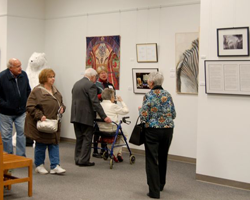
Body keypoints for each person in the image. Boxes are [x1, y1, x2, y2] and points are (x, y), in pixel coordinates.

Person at [139, 71, 176, 199]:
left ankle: (154, 191)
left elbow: (144, 116)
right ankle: (161, 184)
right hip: (167, 130)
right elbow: (174, 114)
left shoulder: (148, 95)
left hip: (152, 131)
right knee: (163, 157)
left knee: (151, 160)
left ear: (151, 82)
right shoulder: (168, 94)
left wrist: (141, 110)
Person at [25, 68, 66, 174]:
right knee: (41, 143)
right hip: (42, 122)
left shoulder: (55, 90)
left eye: (53, 76)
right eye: (50, 77)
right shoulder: (37, 91)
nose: (53, 79)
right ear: (44, 78)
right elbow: (30, 106)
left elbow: (60, 103)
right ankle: (39, 165)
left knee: (54, 143)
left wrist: (62, 108)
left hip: (54, 123)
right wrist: (40, 115)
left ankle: (55, 165)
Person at [71, 68, 111, 167]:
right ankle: (83, 160)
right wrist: (104, 116)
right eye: (95, 77)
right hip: (86, 116)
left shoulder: (76, 84)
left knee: (79, 138)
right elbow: (95, 102)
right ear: (92, 76)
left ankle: (78, 158)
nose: (95, 79)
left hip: (75, 116)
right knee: (87, 138)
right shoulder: (90, 85)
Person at [0, 58, 31, 157]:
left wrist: (26, 104)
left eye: (20, 65)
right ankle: (8, 156)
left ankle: (21, 156)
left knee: (21, 134)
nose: (20, 68)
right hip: (5, 113)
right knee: (6, 136)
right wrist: (6, 104)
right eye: (17, 66)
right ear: (10, 68)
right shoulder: (2, 76)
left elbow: (28, 90)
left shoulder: (24, 75)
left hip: (21, 112)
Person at [96, 88, 129, 162]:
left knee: (120, 132)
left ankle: (119, 154)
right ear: (111, 97)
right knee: (125, 134)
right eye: (114, 96)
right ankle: (114, 153)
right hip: (111, 128)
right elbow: (126, 110)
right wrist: (121, 101)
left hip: (101, 129)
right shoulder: (113, 106)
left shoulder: (99, 105)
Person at [93, 66, 116, 158]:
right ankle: (95, 150)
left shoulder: (110, 85)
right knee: (97, 130)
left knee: (105, 129)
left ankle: (104, 149)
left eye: (105, 72)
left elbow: (113, 96)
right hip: (99, 109)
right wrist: (102, 95)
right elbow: (94, 97)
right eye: (101, 73)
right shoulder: (95, 85)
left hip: (109, 109)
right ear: (98, 75)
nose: (104, 74)